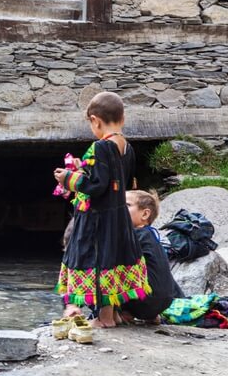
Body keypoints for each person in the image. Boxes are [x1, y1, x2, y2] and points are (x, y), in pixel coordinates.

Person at [53, 91, 151, 328]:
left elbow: (97, 186)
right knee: (113, 261)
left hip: (98, 220)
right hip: (118, 217)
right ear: (122, 118)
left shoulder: (100, 147)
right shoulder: (127, 147)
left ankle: (104, 319)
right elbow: (114, 181)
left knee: (99, 262)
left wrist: (68, 179)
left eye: (91, 124)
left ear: (95, 120)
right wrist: (83, 169)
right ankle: (114, 313)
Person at [121, 190, 185, 323]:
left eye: (126, 205)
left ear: (145, 214)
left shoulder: (134, 236)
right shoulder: (151, 235)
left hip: (143, 301)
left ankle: (120, 313)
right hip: (165, 302)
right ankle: (151, 316)